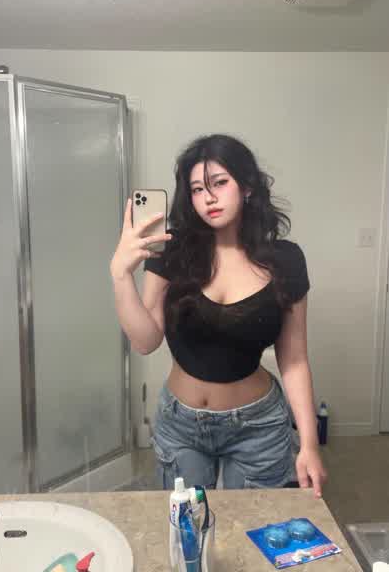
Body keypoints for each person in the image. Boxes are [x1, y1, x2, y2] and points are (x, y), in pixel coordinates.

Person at [110, 134, 327, 498]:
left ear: (247, 186)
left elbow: (293, 360)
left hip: (257, 424)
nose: (208, 197)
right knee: (186, 525)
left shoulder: (286, 260)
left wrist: (309, 444)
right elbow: (145, 341)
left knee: (253, 525)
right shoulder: (173, 251)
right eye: (197, 189)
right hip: (181, 425)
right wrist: (120, 275)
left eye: (219, 183)